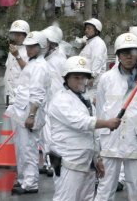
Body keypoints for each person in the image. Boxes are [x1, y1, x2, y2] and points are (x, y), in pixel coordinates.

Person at [48, 56, 120, 201]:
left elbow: (93, 134)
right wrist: (107, 123)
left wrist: (97, 158)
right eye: (76, 77)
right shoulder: (60, 100)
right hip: (68, 164)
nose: (81, 82)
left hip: (87, 164)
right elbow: (81, 122)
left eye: (84, 78)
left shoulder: (85, 100)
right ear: (67, 78)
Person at [94, 33, 137, 201]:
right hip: (110, 141)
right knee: (105, 188)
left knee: (136, 187)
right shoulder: (106, 79)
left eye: (133, 52)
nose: (129, 56)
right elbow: (100, 111)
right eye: (124, 52)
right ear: (118, 55)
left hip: (135, 140)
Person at [6, 31, 50, 195]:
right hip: (22, 112)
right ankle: (24, 179)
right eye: (28, 46)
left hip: (28, 114)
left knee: (29, 149)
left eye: (33, 47)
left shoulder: (40, 66)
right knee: (22, 148)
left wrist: (31, 115)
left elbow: (37, 93)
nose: (29, 49)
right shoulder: (33, 63)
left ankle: (30, 183)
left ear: (41, 47)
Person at [38, 25, 67, 176]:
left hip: (53, 103)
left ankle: (51, 164)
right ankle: (47, 162)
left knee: (50, 133)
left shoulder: (58, 60)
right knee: (44, 133)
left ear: (53, 44)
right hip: (45, 102)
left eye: (46, 42)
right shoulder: (46, 58)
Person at [79, 18, 107, 102]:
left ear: (96, 30)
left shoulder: (98, 43)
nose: (86, 30)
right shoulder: (90, 42)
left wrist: (92, 76)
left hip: (94, 82)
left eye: (89, 28)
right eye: (86, 28)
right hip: (87, 81)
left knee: (92, 104)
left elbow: (97, 60)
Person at [4, 20, 30, 106]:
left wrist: (17, 56)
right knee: (8, 119)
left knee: (20, 119)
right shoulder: (12, 49)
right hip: (8, 95)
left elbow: (29, 71)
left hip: (21, 96)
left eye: (19, 35)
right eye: (15, 35)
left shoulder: (29, 51)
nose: (16, 37)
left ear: (26, 35)